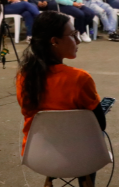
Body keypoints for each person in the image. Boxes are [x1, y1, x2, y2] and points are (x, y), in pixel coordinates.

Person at [16, 12, 105, 187]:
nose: (78, 41)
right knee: (94, 135)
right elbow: (100, 125)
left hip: (38, 152)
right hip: (79, 156)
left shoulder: (23, 77)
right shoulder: (79, 78)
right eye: (73, 35)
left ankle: (51, 177)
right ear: (54, 41)